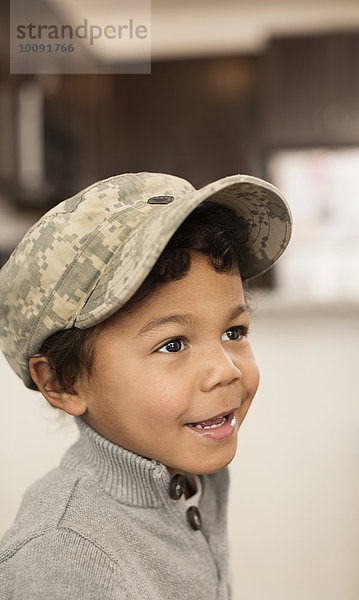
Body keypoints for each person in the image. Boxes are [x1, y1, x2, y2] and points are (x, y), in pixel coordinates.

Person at [0, 172, 292, 599]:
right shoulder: (62, 559)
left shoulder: (191, 475)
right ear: (63, 382)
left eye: (234, 331)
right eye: (173, 344)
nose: (226, 370)